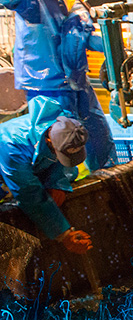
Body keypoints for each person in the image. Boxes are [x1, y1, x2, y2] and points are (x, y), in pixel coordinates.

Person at [0, 0, 115, 171]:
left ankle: (108, 178)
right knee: (58, 143)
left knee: (98, 134)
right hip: (47, 86)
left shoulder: (72, 3)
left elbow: (86, 39)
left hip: (77, 82)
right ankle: (61, 189)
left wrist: (116, 51)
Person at [0, 95, 93, 254]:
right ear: (49, 141)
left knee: (70, 174)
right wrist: (64, 234)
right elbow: (28, 193)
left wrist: (57, 183)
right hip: (8, 164)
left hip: (31, 163)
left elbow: (57, 163)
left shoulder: (67, 124)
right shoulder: (13, 146)